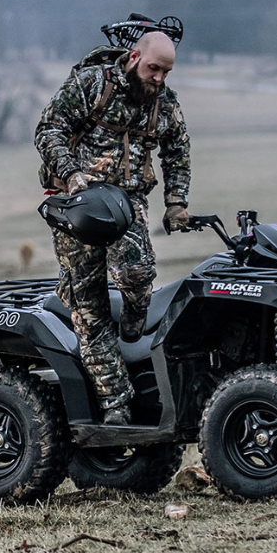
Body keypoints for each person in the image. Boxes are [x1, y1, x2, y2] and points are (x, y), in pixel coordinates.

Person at [33, 26, 192, 426]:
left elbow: (177, 151)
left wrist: (176, 203)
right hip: (79, 204)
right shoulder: (92, 85)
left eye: (166, 73)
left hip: (127, 205)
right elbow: (48, 129)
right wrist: (70, 174)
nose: (159, 79)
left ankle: (134, 325)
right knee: (88, 308)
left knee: (138, 274)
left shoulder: (163, 103)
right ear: (135, 58)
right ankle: (117, 407)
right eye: (154, 69)